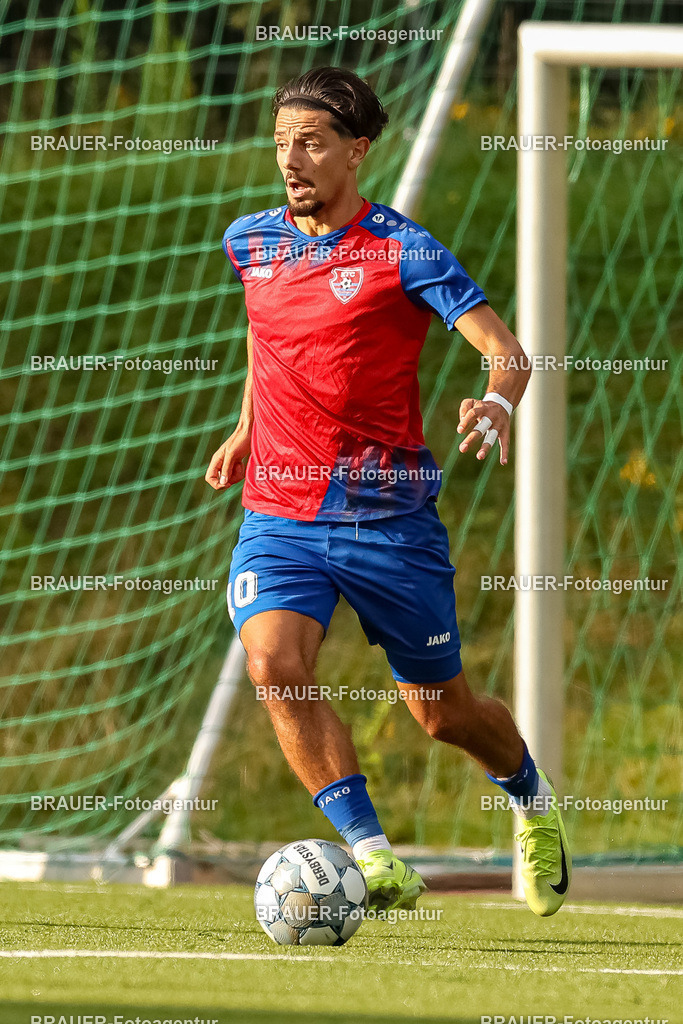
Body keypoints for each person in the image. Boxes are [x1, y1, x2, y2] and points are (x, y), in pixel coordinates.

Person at [206, 66, 570, 917]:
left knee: (442, 716)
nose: (291, 160)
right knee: (274, 663)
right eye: (280, 144)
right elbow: (268, 336)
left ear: (356, 152)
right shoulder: (250, 241)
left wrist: (494, 401)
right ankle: (372, 857)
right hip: (281, 512)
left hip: (388, 520)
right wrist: (248, 425)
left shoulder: (403, 250)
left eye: (311, 143)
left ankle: (527, 791)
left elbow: (507, 353)